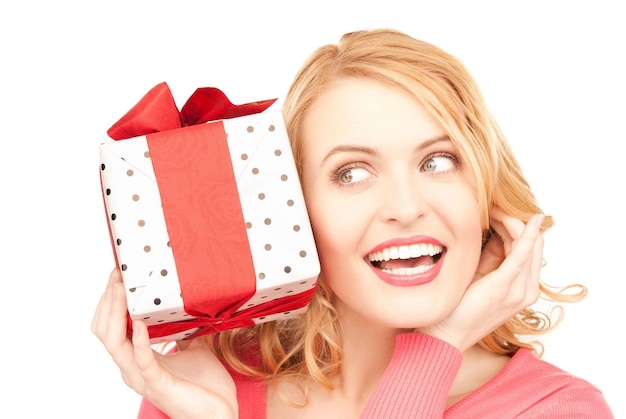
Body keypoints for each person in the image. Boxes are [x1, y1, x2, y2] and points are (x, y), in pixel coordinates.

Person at [92, 28, 613, 418]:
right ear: (293, 209)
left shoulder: (554, 408)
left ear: (485, 199)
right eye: (352, 173)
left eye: (438, 162)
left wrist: (439, 347)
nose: (406, 207)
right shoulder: (202, 388)